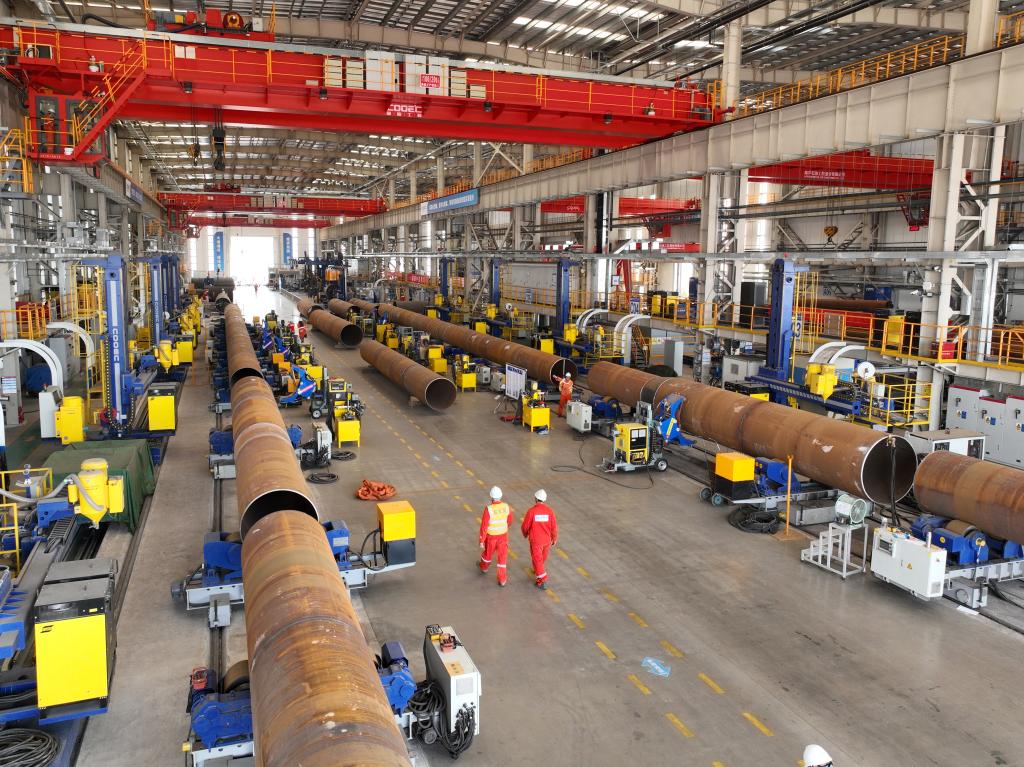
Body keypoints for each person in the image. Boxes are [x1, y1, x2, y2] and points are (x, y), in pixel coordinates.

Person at [521, 489, 557, 589]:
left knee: (537, 559)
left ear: (536, 499)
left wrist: (525, 534)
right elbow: (554, 527)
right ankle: (538, 570)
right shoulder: (550, 511)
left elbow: (525, 526)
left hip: (536, 541)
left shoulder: (532, 511)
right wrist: (554, 538)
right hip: (547, 540)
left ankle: (542, 580)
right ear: (544, 500)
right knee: (542, 558)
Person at [478, 486, 512, 587]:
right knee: (502, 558)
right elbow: (510, 520)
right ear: (501, 496)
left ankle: (484, 567)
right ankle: (502, 580)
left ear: (491, 497)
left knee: (488, 554)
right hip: (503, 536)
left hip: (491, 537)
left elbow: (484, 526)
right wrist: (503, 527)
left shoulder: (489, 509)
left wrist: (481, 540)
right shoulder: (506, 506)